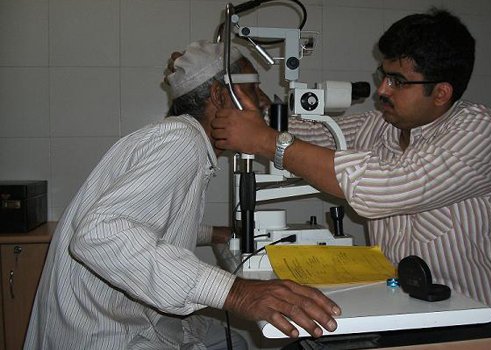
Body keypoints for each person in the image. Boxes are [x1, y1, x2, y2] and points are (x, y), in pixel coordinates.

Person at [25, 41, 340, 350]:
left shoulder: (178, 137)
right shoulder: (181, 142)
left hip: (114, 317)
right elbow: (100, 233)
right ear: (218, 94)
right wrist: (239, 293)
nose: (263, 103)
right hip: (105, 333)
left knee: (234, 340)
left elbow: (150, 223)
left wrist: (216, 233)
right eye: (254, 89)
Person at [211, 8, 491, 310]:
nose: (382, 91)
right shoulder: (381, 125)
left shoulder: (479, 129)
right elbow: (315, 136)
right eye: (383, 75)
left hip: (481, 316)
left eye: (398, 81)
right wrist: (252, 102)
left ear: (441, 93)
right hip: (402, 304)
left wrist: (267, 141)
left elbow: (380, 188)